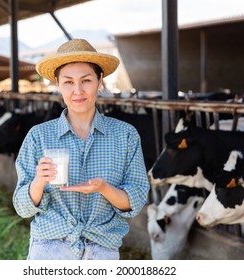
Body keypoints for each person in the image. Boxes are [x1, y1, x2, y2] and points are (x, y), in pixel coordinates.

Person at [12, 38, 150, 260]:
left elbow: (135, 201)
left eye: (86, 80)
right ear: (57, 84)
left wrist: (104, 188)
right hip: (49, 248)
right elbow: (22, 207)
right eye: (68, 82)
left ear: (99, 81)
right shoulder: (39, 136)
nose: (78, 90)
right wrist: (38, 182)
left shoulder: (125, 135)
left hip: (101, 249)